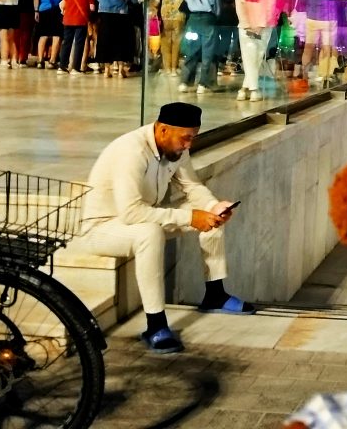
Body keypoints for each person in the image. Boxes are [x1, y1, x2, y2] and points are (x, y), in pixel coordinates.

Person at [76, 102, 252, 354]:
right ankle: (155, 325)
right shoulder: (132, 151)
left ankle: (215, 294)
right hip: (103, 227)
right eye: (185, 138)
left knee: (211, 214)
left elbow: (192, 187)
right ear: (163, 130)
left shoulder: (178, 148)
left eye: (193, 137)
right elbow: (131, 212)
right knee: (150, 233)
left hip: (142, 218)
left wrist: (213, 206)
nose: (189, 145)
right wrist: (190, 218)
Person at [302, 0, 347, 86]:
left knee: (308, 48)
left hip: (312, 17)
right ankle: (323, 76)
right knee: (326, 48)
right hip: (328, 18)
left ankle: (304, 76)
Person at [178, 0, 223, 94]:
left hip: (192, 21)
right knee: (208, 54)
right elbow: (217, 8)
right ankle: (203, 84)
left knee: (191, 52)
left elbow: (187, 0)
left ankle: (185, 82)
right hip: (208, 21)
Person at [234, 0, 276, 102]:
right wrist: (258, 26)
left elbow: (239, 7)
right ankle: (253, 90)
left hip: (248, 28)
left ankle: (244, 89)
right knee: (254, 58)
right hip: (261, 28)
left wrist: (249, 25)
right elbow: (271, 8)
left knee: (251, 59)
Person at [95, 0, 138, 78]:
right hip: (122, 15)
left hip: (105, 14)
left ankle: (107, 70)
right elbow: (134, 0)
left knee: (106, 41)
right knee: (121, 41)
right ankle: (120, 70)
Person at [34, 0, 69, 69]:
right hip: (57, 10)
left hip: (43, 9)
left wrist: (36, 10)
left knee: (43, 35)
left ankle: (40, 60)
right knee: (56, 35)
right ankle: (52, 61)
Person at [157, 0, 189, 76]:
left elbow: (156, 3)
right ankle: (174, 69)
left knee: (165, 44)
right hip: (179, 19)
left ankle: (167, 69)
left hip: (165, 19)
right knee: (176, 44)